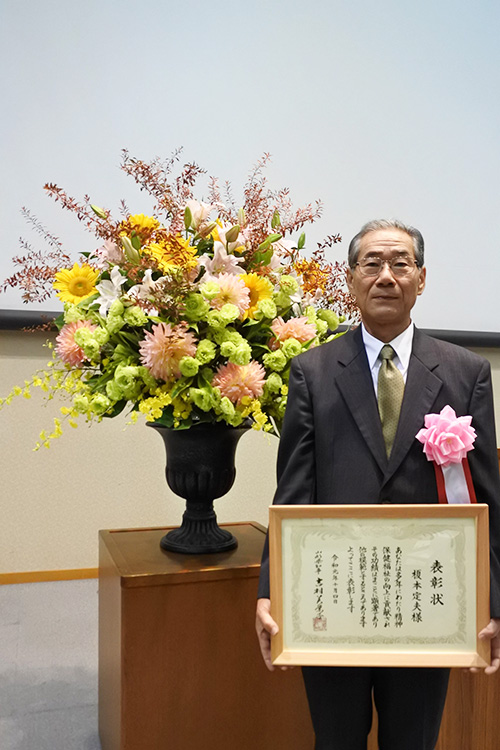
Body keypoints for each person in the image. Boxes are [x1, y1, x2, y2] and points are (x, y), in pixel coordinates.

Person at [255, 219, 500, 750]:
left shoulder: (467, 373)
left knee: (414, 739)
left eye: (400, 263)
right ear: (350, 279)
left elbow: (485, 502)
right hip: (334, 592)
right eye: (372, 263)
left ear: (422, 277)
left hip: (425, 603)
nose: (386, 276)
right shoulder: (311, 372)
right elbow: (291, 492)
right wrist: (271, 591)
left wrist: (493, 601)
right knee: (336, 738)